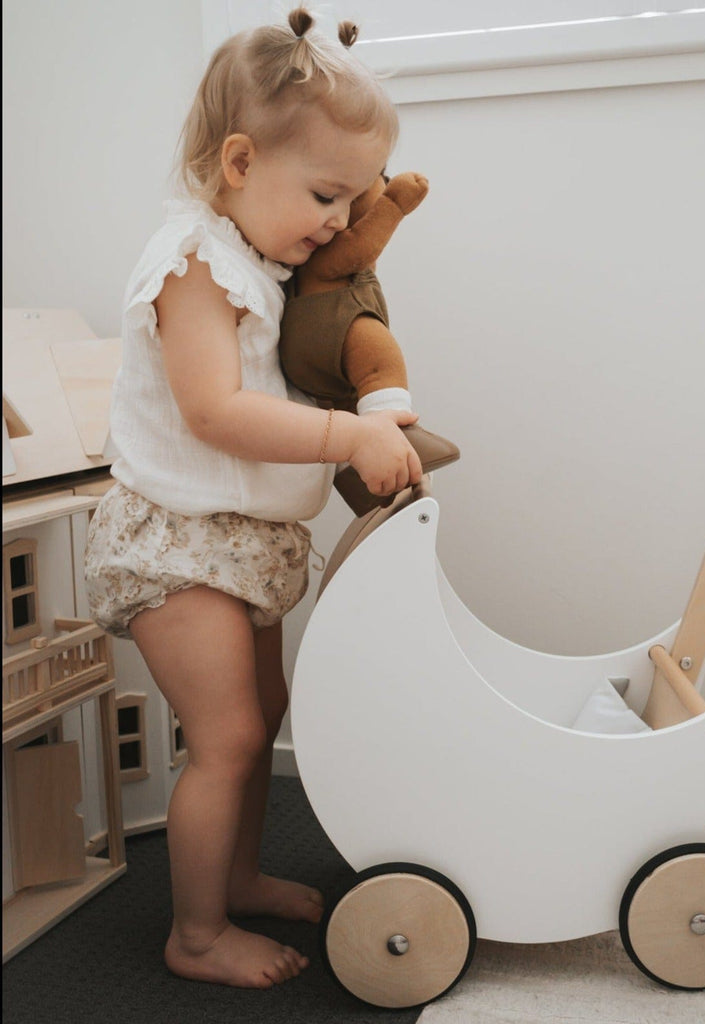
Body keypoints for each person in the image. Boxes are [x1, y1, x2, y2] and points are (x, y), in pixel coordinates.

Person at [84, 6, 421, 989]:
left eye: (353, 199)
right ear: (239, 162)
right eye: (325, 194)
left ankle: (233, 877)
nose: (339, 222)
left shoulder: (263, 268)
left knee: (260, 714)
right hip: (177, 541)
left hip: (237, 541)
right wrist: (347, 437)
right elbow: (214, 411)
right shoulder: (193, 263)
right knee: (225, 737)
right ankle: (194, 934)